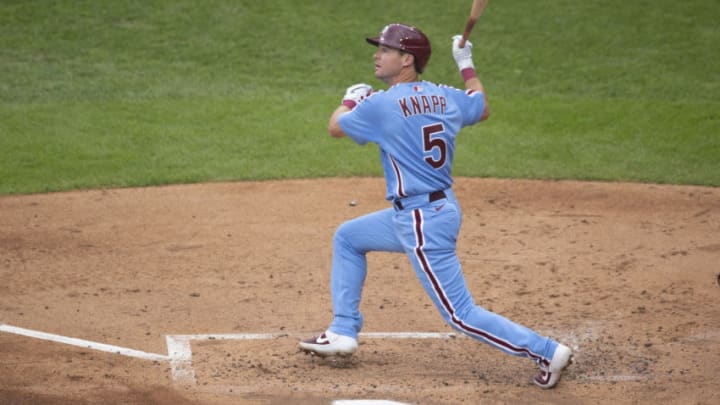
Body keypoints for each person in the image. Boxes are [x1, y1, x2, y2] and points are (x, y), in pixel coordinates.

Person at [299, 23, 572, 389]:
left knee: (460, 313)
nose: (376, 55)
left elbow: (335, 127)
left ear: (407, 59)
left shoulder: (382, 105)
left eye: (385, 50)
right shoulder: (444, 97)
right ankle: (343, 331)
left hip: (421, 221)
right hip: (429, 212)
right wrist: (466, 63)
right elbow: (482, 107)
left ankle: (546, 351)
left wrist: (351, 99)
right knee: (349, 237)